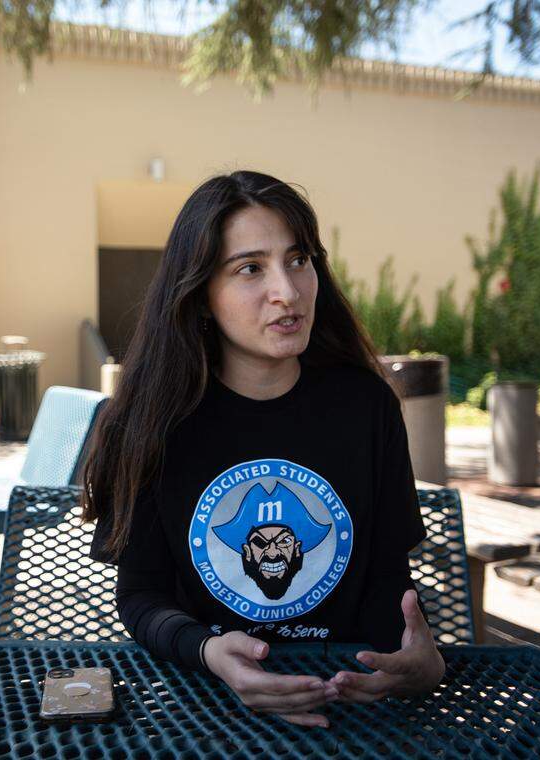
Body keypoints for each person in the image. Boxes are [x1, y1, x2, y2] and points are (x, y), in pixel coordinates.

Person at [82, 170, 445, 728]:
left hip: (347, 705)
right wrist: (206, 650)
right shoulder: (148, 421)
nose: (288, 290)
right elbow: (141, 595)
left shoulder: (366, 404)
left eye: (298, 260)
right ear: (200, 295)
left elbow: (386, 577)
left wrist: (413, 658)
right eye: (251, 268)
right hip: (205, 709)